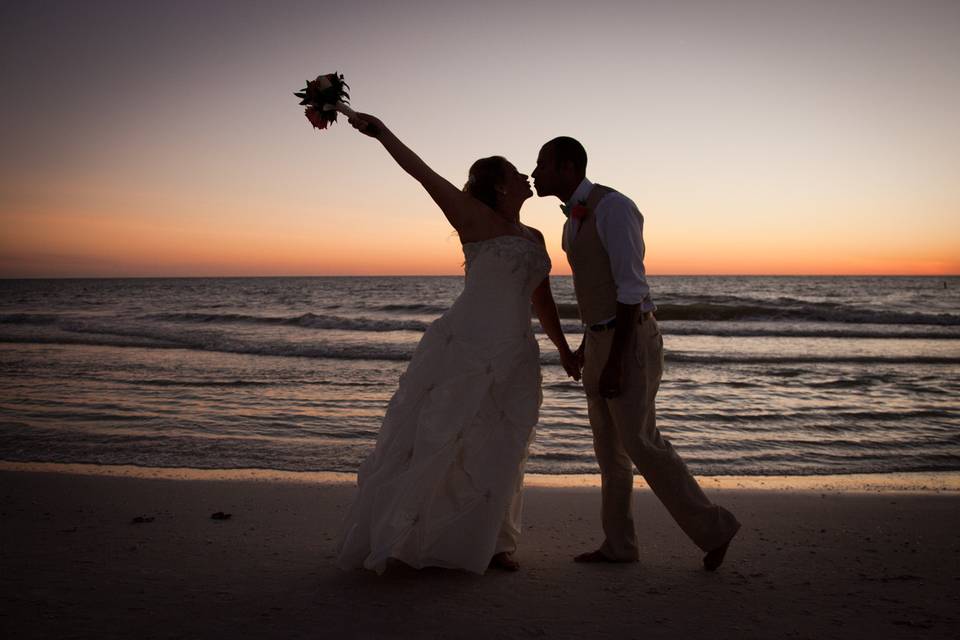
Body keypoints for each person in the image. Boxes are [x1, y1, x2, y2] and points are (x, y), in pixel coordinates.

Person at [336, 114, 580, 574]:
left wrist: (565, 350)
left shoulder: (536, 237)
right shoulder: (475, 218)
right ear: (498, 186)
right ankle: (406, 541)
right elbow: (422, 173)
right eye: (513, 172)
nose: (524, 175)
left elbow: (542, 300)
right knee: (441, 439)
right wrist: (383, 132)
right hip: (467, 344)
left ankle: (494, 542)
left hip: (515, 351)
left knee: (505, 441)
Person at [531, 136, 741, 570]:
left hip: (630, 340)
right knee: (609, 451)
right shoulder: (571, 222)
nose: (535, 173)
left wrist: (614, 360)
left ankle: (714, 529)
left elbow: (631, 289)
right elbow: (595, 292)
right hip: (599, 338)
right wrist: (585, 347)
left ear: (568, 168)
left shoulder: (614, 207)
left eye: (542, 165)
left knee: (641, 442)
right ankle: (619, 545)